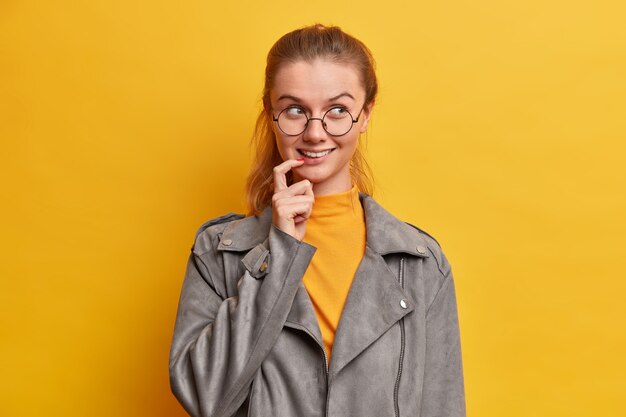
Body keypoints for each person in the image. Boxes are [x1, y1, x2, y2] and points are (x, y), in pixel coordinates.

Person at [169, 24, 466, 417]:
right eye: (295, 109)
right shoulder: (218, 254)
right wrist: (278, 256)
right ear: (271, 113)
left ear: (366, 115)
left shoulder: (420, 263)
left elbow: (442, 407)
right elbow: (204, 395)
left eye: (337, 110)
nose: (314, 132)